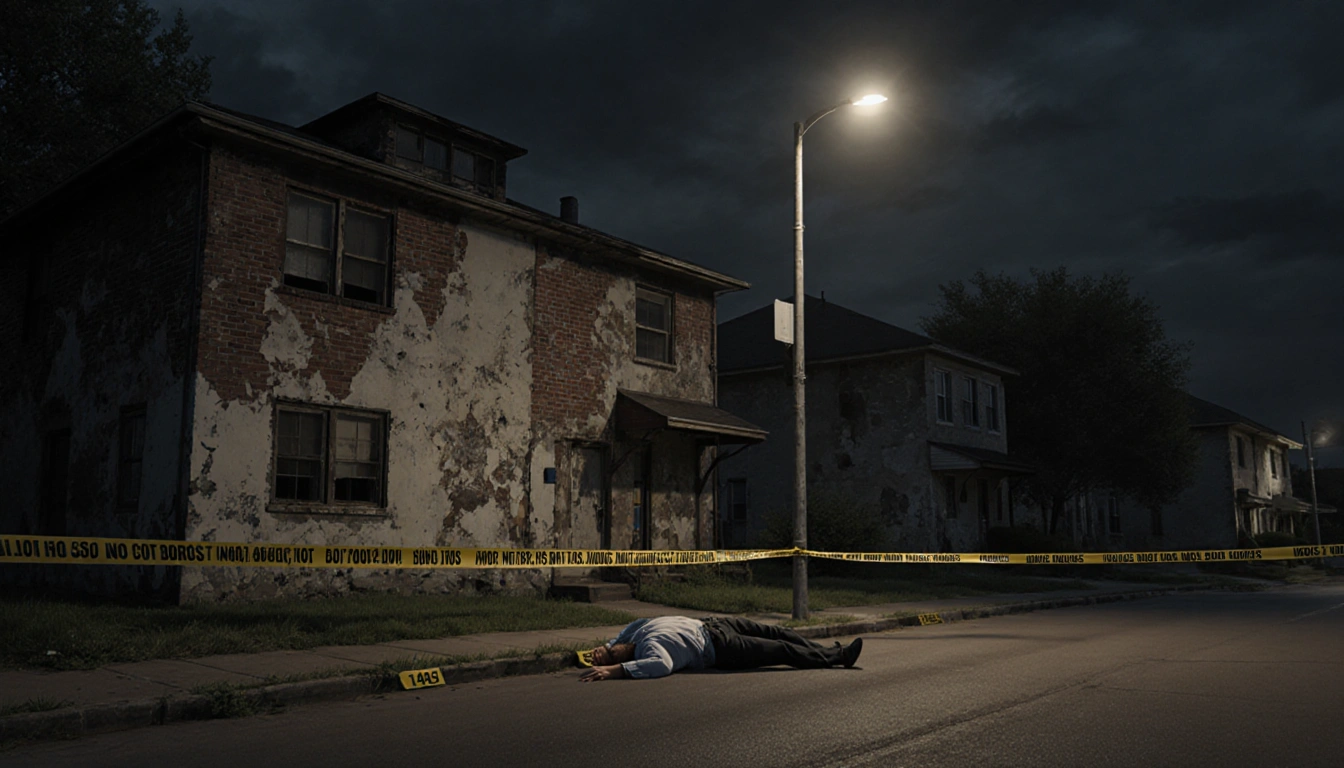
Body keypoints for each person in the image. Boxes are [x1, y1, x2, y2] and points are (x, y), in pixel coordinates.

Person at [578, 615, 863, 681]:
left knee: (778, 631)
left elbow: (633, 623)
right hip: (721, 647)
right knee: (779, 649)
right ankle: (838, 657)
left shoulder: (635, 634)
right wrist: (614, 671)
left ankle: (828, 649)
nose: (605, 653)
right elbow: (661, 667)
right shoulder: (649, 652)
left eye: (603, 652)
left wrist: (607, 646)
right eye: (608, 656)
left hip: (714, 624)